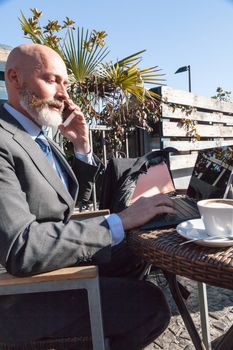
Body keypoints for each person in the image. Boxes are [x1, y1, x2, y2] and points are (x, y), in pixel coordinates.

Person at [0, 43, 175, 349]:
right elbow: (21, 249)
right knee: (151, 305)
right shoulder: (4, 140)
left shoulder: (39, 136)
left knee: (140, 247)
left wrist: (82, 148)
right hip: (20, 294)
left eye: (65, 84)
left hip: (54, 262)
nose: (64, 95)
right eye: (53, 80)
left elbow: (66, 207)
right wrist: (118, 221)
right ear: (14, 78)